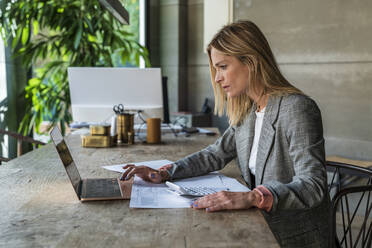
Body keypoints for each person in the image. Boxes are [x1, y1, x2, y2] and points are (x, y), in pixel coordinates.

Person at [120, 20, 330, 248]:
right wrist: (165, 173)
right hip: (260, 227)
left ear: (250, 61)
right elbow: (215, 154)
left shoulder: (297, 108)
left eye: (222, 67)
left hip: (295, 236)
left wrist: (254, 196)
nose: (217, 78)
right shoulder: (250, 110)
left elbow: (313, 184)